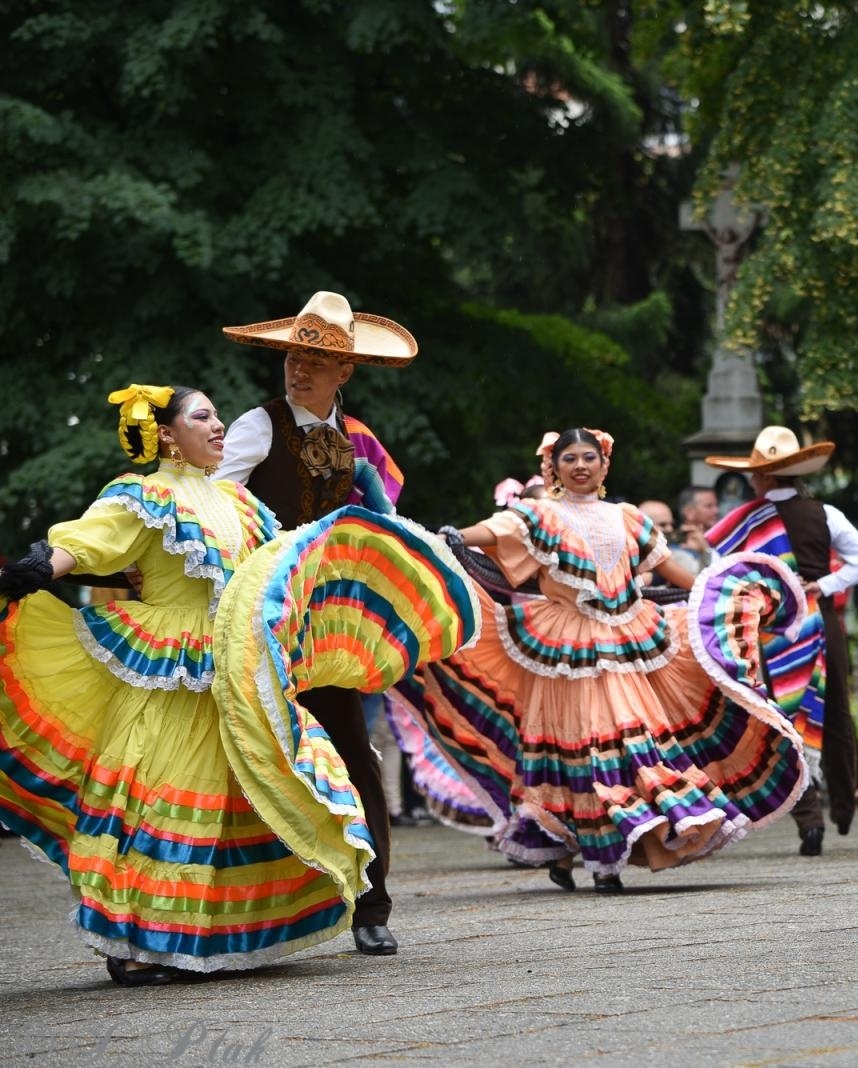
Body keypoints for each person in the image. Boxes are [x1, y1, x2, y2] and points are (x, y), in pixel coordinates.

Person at [0, 385, 475, 985]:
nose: (219, 425)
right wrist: (43, 565)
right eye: (204, 417)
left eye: (218, 415)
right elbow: (90, 539)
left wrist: (418, 548)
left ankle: (197, 934)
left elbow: (281, 565)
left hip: (232, 659)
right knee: (158, 796)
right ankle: (130, 942)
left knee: (232, 799)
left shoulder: (239, 501)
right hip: (170, 666)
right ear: (167, 434)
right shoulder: (142, 494)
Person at [389, 428, 811, 891]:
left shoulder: (627, 518)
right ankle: (592, 855)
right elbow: (495, 531)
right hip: (567, 644)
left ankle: (601, 850)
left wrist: (724, 594)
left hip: (631, 636)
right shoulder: (540, 513)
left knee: (630, 741)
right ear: (553, 467)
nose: (581, 466)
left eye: (589, 457)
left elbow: (674, 573)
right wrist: (450, 536)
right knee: (586, 748)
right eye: (570, 458)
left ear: (605, 465)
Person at [212, 290, 412, 956]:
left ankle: (372, 904)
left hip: (323, 623)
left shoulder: (358, 440)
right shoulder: (257, 426)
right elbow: (214, 508)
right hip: (254, 612)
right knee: (241, 758)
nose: (299, 370)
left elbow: (385, 518)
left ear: (344, 372)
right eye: (294, 357)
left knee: (354, 751)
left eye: (315, 361)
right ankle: (235, 909)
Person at [705, 426, 858, 856]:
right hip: (820, 624)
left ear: (762, 477)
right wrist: (823, 585)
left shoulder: (740, 522)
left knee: (781, 717)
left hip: (766, 630)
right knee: (833, 707)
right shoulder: (825, 513)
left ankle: (809, 816)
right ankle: (843, 805)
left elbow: (715, 576)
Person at [676, 484, 720, 575]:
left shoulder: (719, 539)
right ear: (689, 512)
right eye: (709, 506)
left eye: (716, 505)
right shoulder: (675, 544)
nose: (716, 511)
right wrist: (706, 551)